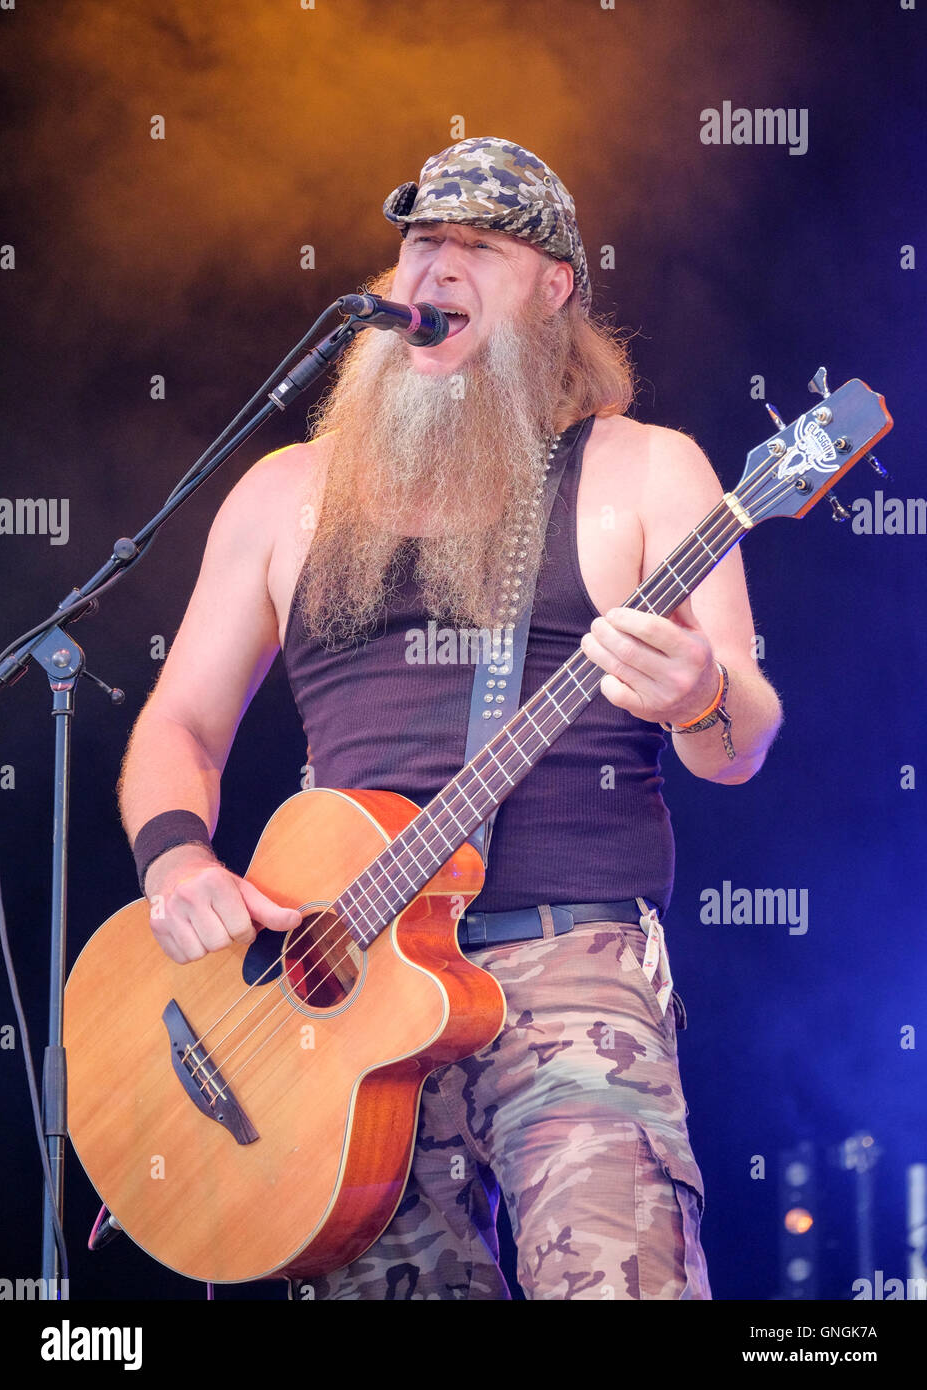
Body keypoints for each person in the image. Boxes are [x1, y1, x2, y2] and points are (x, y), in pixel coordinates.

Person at [119, 137, 782, 1300]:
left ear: (555, 286)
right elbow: (179, 719)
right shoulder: (287, 490)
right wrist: (176, 861)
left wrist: (704, 697)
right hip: (338, 993)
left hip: (569, 971)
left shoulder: (645, 470)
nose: (435, 269)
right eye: (421, 240)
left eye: (477, 246)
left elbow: (744, 741)